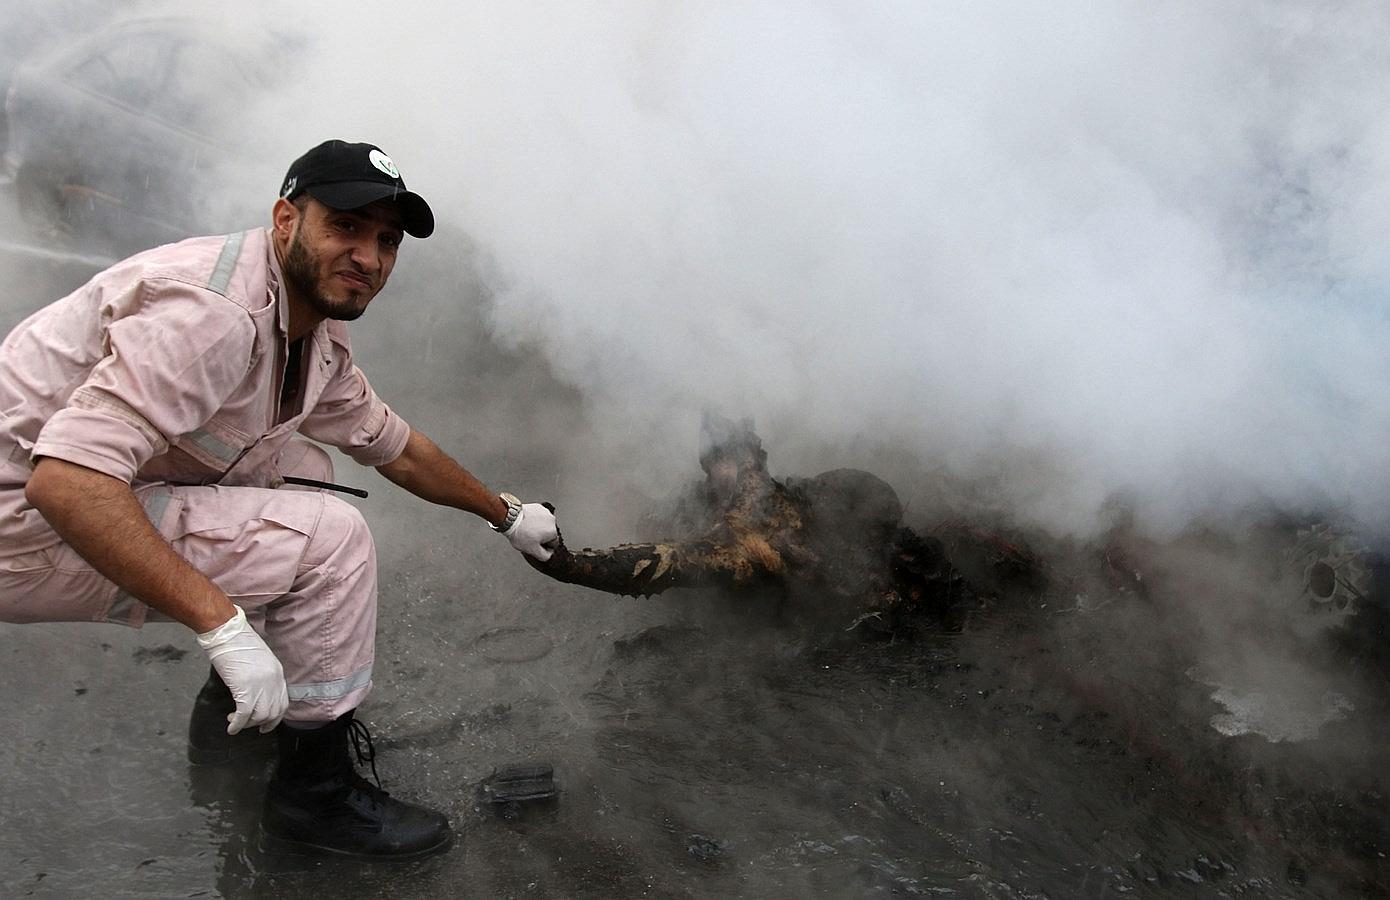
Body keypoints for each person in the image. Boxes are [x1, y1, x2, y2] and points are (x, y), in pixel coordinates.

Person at [0, 139, 558, 860]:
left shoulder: (307, 330)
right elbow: (66, 480)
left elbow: (392, 444)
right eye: (347, 227)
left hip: (61, 494)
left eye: (387, 240)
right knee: (330, 541)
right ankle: (314, 799)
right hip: (26, 521)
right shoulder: (215, 314)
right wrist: (222, 626)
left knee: (295, 465)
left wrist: (505, 514)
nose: (370, 256)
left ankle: (235, 723)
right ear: (287, 219)